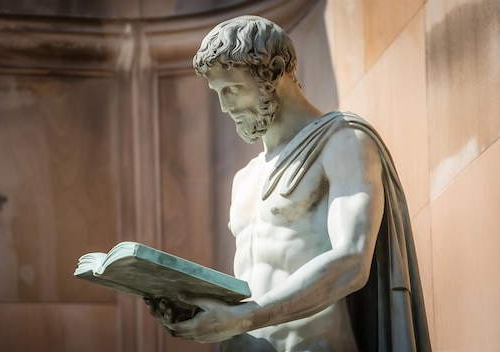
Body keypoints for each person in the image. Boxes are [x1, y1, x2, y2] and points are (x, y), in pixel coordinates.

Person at [146, 15, 431, 352]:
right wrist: (194, 304)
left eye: (233, 89)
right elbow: (258, 281)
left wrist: (247, 317)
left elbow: (352, 261)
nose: (224, 107)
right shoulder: (245, 179)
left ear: (276, 69)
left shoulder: (343, 141)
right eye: (218, 93)